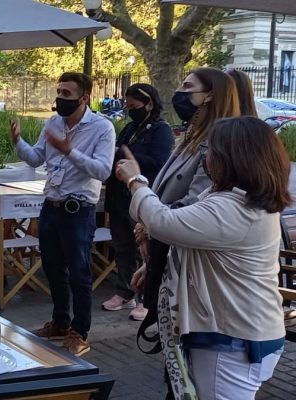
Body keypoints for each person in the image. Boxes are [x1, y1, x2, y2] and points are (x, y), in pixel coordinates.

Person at [117, 116, 288, 400]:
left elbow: (162, 221)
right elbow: (196, 238)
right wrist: (154, 266)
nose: (206, 157)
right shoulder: (241, 200)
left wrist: (136, 181)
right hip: (244, 332)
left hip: (232, 341)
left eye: (210, 150)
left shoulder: (233, 209)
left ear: (233, 158)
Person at [130, 67, 241, 399]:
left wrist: (143, 200)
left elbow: (195, 206)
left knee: (183, 371)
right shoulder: (191, 136)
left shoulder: (217, 145)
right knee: (174, 364)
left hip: (189, 273)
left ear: (209, 96)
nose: (180, 91)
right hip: (168, 253)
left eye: (187, 86)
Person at [11, 72, 115, 356]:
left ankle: (79, 332)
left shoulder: (102, 128)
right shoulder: (53, 123)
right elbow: (36, 158)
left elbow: (103, 171)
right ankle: (59, 323)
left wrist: (70, 152)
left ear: (84, 98)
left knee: (79, 273)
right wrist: (18, 142)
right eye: (58, 92)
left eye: (66, 94)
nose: (60, 98)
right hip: (51, 206)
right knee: (52, 268)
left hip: (78, 210)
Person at [102, 84, 174, 320]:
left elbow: (159, 161)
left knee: (145, 248)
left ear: (149, 104)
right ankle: (125, 291)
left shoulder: (161, 130)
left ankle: (147, 297)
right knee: (122, 245)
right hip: (119, 194)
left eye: (134, 106)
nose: (129, 110)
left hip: (141, 194)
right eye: (127, 105)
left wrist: (127, 157)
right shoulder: (131, 127)